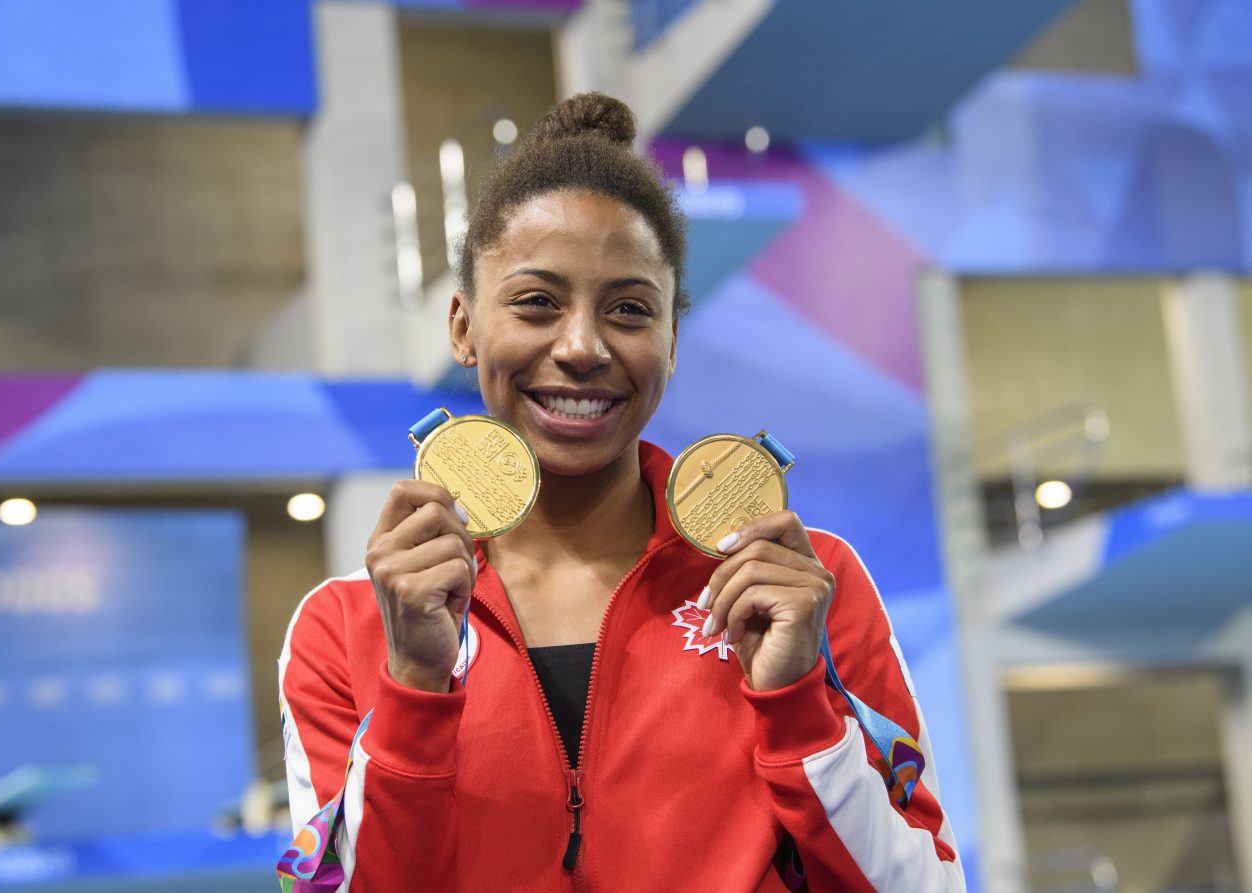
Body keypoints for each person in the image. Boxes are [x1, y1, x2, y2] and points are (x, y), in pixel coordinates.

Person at [278, 92, 964, 891]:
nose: (581, 346)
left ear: (671, 340)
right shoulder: (346, 628)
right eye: (537, 302)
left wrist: (798, 704)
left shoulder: (805, 587)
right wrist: (413, 690)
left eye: (630, 310)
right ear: (463, 326)